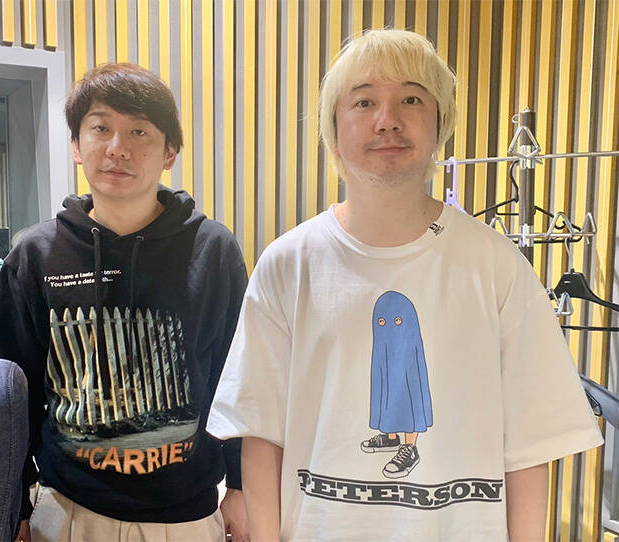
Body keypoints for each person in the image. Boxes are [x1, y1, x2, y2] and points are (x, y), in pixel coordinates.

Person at [206, 29, 603, 541]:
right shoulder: (288, 264)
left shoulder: (496, 266)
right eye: (364, 101)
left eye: (411, 99)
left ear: (440, 121)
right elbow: (261, 435)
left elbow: (530, 447)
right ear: (334, 127)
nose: (387, 119)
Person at [0, 63, 249, 542]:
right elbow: (11, 390)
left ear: (169, 152)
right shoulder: (36, 255)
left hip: (187, 512)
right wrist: (13, 500)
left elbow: (236, 377)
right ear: (76, 145)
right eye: (100, 128)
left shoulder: (213, 250)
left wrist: (240, 485)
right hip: (67, 508)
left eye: (139, 131)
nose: (117, 148)